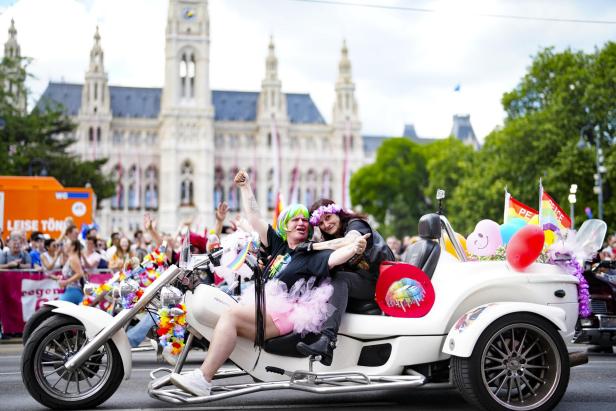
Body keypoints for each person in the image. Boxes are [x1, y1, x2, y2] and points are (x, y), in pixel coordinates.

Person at [169, 170, 367, 397]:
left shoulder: (311, 254)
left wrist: (354, 247)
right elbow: (254, 217)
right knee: (224, 312)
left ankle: (203, 378)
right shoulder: (278, 246)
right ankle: (202, 372)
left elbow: (334, 258)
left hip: (287, 316)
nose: (301, 222)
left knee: (230, 316)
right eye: (296, 219)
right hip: (267, 308)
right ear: (286, 225)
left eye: (305, 219)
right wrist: (245, 187)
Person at [295, 198, 395, 365]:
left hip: (381, 283)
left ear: (338, 214)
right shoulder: (331, 239)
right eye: (320, 222)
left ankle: (327, 340)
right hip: (364, 283)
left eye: (328, 217)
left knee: (340, 280)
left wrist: (312, 247)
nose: (326, 225)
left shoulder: (356, 225)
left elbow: (349, 242)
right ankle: (315, 341)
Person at [58, 240, 86, 304]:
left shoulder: (73, 258)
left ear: (73, 247)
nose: (64, 246)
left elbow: (80, 273)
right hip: (71, 289)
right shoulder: (72, 257)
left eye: (67, 244)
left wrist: (66, 282)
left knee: (57, 307)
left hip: (74, 290)